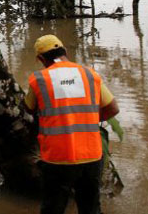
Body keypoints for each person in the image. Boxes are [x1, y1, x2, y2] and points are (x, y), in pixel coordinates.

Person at [25, 34, 119, 214]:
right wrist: (90, 118)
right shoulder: (89, 74)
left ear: (40, 59)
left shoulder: (38, 79)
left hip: (56, 157)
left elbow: (29, 108)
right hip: (91, 155)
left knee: (53, 207)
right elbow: (112, 108)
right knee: (90, 208)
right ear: (65, 51)